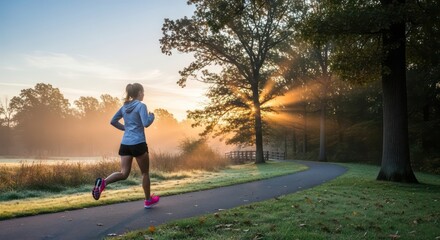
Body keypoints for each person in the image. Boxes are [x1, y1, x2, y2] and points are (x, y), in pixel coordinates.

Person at [92, 83, 159, 209]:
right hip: (138, 143)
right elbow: (146, 123)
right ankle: (148, 201)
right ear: (139, 92)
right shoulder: (141, 106)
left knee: (123, 173)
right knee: (145, 173)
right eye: (143, 92)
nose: (144, 94)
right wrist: (152, 117)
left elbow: (113, 121)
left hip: (125, 144)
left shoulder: (124, 107)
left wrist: (126, 128)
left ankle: (103, 182)